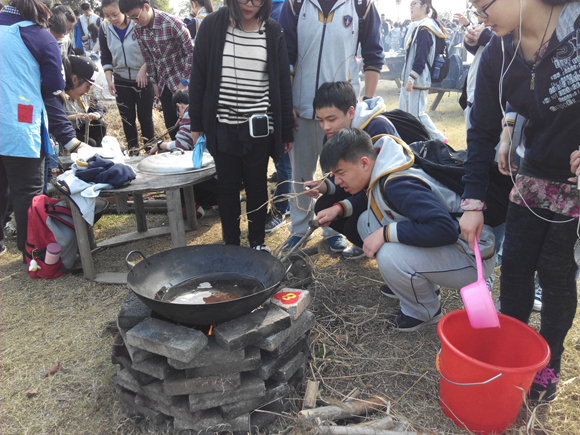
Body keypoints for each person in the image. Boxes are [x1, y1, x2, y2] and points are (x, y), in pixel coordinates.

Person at [460, 0, 580, 403]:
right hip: (531, 172)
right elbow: (480, 127)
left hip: (574, 181)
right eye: (473, 9)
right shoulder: (498, 49)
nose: (480, 18)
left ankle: (549, 363)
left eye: (484, 6)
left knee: (556, 273)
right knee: (514, 268)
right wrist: (473, 201)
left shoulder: (575, 25)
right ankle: (512, 355)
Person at [316, 128, 495, 331]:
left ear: (364, 162)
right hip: (460, 244)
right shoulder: (384, 162)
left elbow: (443, 228)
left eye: (340, 173)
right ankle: (419, 288)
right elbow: (373, 196)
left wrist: (385, 234)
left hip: (471, 254)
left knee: (388, 253)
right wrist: (340, 208)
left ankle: (423, 312)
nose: (337, 181)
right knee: (367, 220)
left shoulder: (397, 183)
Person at [278, 0, 384, 252]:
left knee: (340, 172)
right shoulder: (295, 4)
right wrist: (287, 104)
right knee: (301, 174)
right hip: (301, 108)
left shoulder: (362, 5)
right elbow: (286, 54)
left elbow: (373, 53)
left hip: (340, 113)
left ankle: (331, 228)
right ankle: (300, 229)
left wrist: (367, 100)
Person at [188, 0, 294, 252]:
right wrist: (196, 124)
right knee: (227, 188)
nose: (250, 4)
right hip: (222, 125)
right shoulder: (212, 26)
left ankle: (257, 242)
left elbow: (281, 84)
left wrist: (286, 128)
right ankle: (232, 245)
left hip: (258, 128)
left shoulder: (272, 30)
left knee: (257, 186)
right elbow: (199, 75)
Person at [0, 0, 90, 257]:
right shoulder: (39, 36)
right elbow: (54, 84)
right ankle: (33, 251)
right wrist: (71, 140)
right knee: (26, 192)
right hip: (19, 123)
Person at [303, 81, 399, 259]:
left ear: (351, 112)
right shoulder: (333, 135)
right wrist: (323, 186)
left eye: (331, 119)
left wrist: (341, 207)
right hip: (362, 192)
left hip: (388, 197)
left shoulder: (378, 129)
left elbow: (384, 184)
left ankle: (389, 254)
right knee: (324, 205)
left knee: (353, 225)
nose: (326, 127)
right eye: (321, 120)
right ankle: (365, 241)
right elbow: (341, 177)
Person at [119, 0, 193, 140]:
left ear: (146, 7)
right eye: (131, 18)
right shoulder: (138, 29)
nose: (135, 21)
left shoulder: (172, 23)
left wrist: (185, 80)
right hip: (163, 83)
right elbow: (149, 59)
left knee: (189, 125)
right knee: (172, 126)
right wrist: (154, 84)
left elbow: (191, 52)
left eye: (136, 16)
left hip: (182, 81)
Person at [148, 89, 218, 214]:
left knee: (167, 155)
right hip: (227, 173)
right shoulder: (206, 107)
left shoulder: (190, 111)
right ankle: (217, 200)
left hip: (212, 173)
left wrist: (159, 145)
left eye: (178, 112)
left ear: (179, 105)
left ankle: (190, 206)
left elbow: (181, 146)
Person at [100, 0, 155, 154]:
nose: (112, 19)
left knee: (145, 118)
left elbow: (151, 50)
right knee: (127, 120)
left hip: (143, 79)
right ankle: (133, 153)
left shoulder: (138, 24)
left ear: (123, 10)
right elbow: (105, 56)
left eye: (115, 14)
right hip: (120, 79)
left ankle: (150, 152)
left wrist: (144, 70)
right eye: (107, 15)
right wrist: (109, 80)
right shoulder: (105, 28)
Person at [398, 0, 446, 141]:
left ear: (425, 6)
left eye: (414, 4)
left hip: (417, 78)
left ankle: (440, 140)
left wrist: (412, 77)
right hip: (410, 77)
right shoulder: (418, 26)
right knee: (403, 114)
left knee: (417, 115)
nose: (411, 7)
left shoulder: (426, 28)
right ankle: (408, 142)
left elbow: (421, 57)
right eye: (410, 4)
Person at [61, 55, 107, 147]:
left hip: (78, 126)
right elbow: (55, 121)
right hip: (65, 130)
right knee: (90, 144)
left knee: (100, 125)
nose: (87, 91)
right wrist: (74, 117)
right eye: (87, 86)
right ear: (74, 80)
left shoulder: (84, 94)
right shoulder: (58, 95)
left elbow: (97, 106)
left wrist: (95, 114)